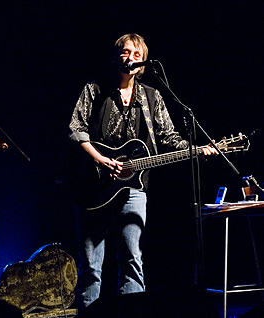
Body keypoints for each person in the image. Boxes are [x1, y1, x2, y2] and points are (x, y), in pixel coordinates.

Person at [68, 33, 216, 316]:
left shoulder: (152, 96)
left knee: (133, 261)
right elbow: (76, 130)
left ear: (144, 61)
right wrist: (102, 160)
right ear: (116, 56)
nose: (131, 58)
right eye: (125, 52)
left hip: (134, 188)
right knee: (91, 267)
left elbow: (169, 137)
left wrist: (199, 149)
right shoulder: (95, 89)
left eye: (137, 54)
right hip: (93, 186)